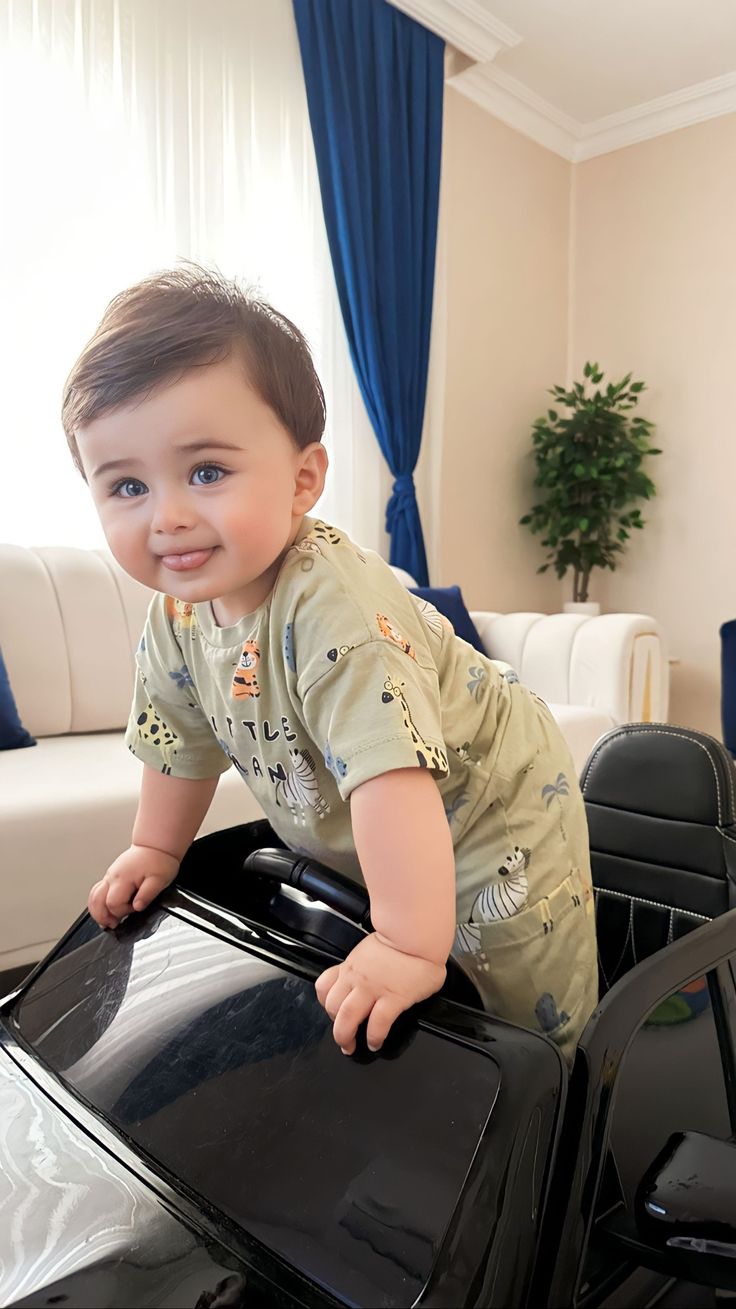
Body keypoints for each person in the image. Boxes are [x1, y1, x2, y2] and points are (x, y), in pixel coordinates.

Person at [62, 264, 598, 1065]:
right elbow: (177, 744)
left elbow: (391, 779)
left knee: (518, 992)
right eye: (127, 485)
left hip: (488, 803)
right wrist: (156, 849)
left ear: (303, 479)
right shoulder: (174, 616)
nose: (167, 516)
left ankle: (565, 1105)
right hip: (371, 815)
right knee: (391, 970)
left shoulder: (333, 611)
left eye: (206, 472)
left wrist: (410, 943)